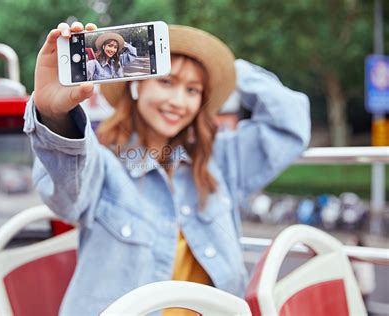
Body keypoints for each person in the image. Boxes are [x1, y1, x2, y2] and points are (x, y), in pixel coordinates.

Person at [24, 21, 311, 315]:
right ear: (136, 83)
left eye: (193, 89)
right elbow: (64, 188)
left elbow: (290, 126)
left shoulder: (221, 159)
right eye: (166, 82)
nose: (178, 101)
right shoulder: (104, 162)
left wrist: (232, 70)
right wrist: (54, 115)